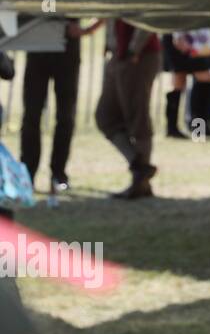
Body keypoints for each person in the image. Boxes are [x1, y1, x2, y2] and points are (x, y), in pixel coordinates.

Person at [20, 18, 103, 194]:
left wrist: (88, 29)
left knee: (65, 117)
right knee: (31, 116)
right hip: (37, 47)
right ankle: (27, 174)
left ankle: (58, 174)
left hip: (67, 48)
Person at [95, 19, 162, 199]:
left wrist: (134, 49)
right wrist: (110, 45)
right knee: (105, 116)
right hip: (118, 53)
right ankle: (140, 167)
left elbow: (146, 16)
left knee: (137, 118)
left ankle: (140, 183)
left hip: (137, 55)